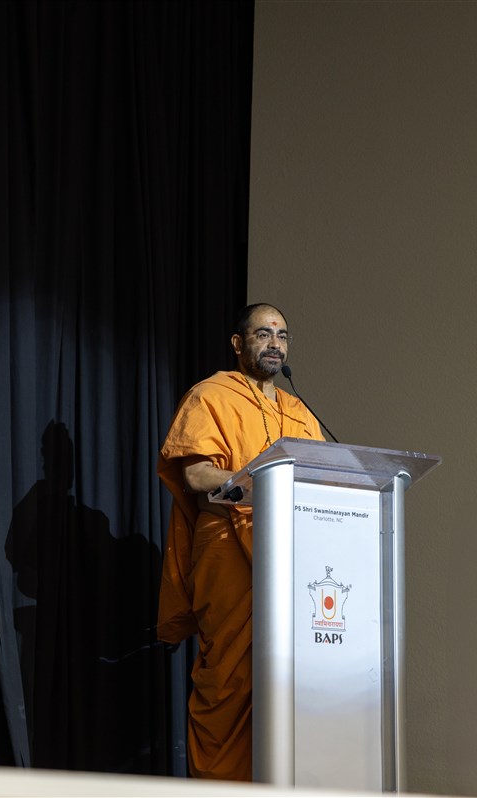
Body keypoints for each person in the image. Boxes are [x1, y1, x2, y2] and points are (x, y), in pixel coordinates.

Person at [157, 303, 324, 781]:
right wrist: (258, 483)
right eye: (264, 334)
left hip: (292, 556)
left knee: (291, 683)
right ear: (238, 343)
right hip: (230, 550)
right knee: (227, 684)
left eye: (283, 336)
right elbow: (195, 473)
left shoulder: (299, 411)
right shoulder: (212, 395)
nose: (275, 343)